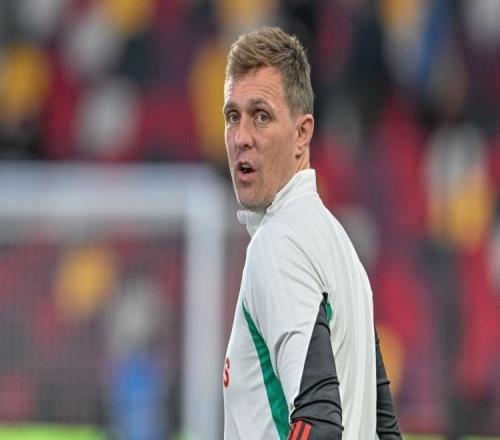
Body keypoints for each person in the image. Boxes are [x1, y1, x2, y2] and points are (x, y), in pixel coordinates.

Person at [222, 26, 401, 440]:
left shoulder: (278, 244)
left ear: (302, 134)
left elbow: (318, 421)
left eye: (261, 116)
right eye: (233, 117)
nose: (241, 137)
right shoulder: (340, 248)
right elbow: (386, 430)